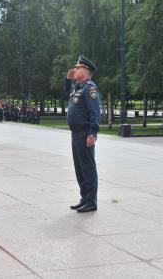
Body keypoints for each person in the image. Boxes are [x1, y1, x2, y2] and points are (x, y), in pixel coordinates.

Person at [65, 55, 100, 213]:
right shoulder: (77, 87)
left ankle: (91, 201)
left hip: (85, 133)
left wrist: (92, 133)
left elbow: (95, 113)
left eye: (78, 68)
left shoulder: (90, 88)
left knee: (87, 168)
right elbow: (66, 92)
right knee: (79, 168)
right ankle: (84, 198)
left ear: (85, 71)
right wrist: (68, 80)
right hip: (76, 134)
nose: (75, 70)